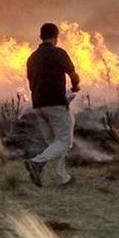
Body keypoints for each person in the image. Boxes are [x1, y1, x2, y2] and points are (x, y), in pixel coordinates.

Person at [24, 23, 81, 187]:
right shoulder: (58, 53)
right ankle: (36, 163)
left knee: (54, 144)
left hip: (38, 104)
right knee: (65, 141)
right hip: (55, 102)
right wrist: (75, 87)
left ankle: (62, 178)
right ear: (56, 37)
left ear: (41, 36)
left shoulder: (32, 57)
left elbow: (31, 82)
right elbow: (73, 75)